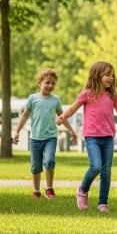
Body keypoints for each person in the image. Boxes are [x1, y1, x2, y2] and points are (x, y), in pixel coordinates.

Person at [57, 61, 117, 213]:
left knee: (106, 171)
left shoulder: (113, 96)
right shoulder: (87, 93)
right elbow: (73, 108)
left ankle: (102, 203)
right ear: (97, 75)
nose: (111, 78)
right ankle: (82, 190)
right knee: (96, 166)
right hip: (92, 137)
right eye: (107, 75)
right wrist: (62, 116)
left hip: (108, 137)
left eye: (112, 75)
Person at [13, 68, 78, 199]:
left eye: (53, 83)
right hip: (35, 138)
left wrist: (71, 131)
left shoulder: (56, 99)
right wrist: (17, 131)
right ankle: (36, 190)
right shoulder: (32, 98)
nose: (50, 85)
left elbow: (62, 117)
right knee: (35, 166)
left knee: (49, 162)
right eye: (47, 82)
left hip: (51, 137)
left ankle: (49, 188)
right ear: (40, 82)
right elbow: (25, 116)